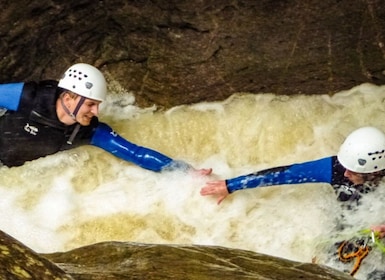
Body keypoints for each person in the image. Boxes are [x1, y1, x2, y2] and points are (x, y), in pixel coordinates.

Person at [0, 63, 212, 175]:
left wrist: (186, 172)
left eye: (97, 105)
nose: (96, 112)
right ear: (68, 98)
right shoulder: (29, 96)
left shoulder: (89, 131)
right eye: (91, 104)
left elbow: (136, 153)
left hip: (14, 173)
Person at [200, 126, 385, 205]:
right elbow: (285, 174)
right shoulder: (335, 167)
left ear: (374, 172)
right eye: (345, 167)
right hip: (348, 229)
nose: (344, 174)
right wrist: (230, 185)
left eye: (352, 172)